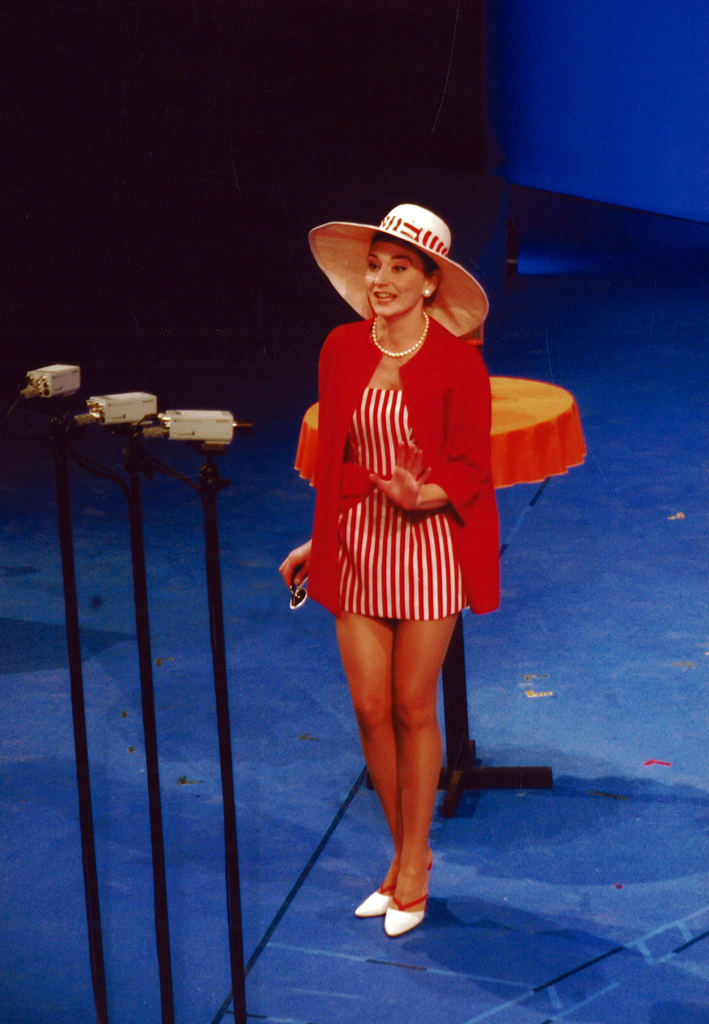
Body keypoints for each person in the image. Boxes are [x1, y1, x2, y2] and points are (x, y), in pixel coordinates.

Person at [280, 204, 500, 937]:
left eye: (399, 267)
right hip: (357, 542)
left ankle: (413, 863)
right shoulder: (340, 347)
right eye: (375, 265)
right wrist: (318, 540)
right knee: (370, 709)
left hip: (429, 544)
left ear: (430, 283)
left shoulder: (457, 360)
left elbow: (472, 470)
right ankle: (402, 854)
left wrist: (422, 492)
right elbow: (337, 462)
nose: (381, 279)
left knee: (412, 706)